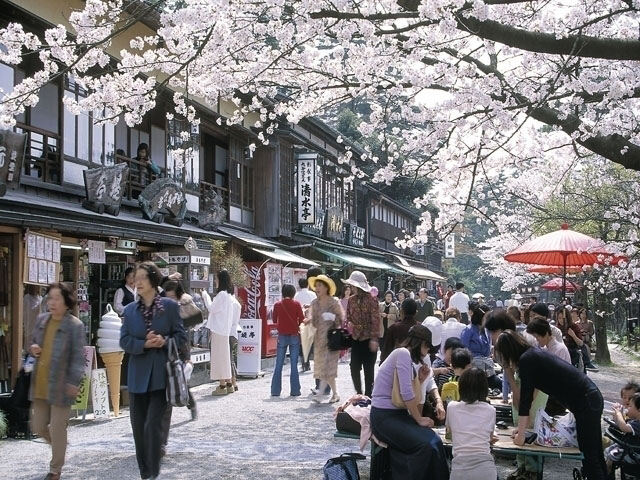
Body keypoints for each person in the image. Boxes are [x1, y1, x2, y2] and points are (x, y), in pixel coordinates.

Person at [494, 331, 608, 480]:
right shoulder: (532, 356)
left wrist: (521, 434)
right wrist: (523, 430)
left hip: (586, 401)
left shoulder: (527, 361)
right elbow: (529, 399)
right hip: (589, 398)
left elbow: (525, 401)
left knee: (590, 455)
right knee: (593, 453)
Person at [120, 262, 186, 480]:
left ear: (153, 280)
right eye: (134, 278)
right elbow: (124, 341)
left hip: (161, 377)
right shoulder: (129, 311)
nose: (136, 282)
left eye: (141, 277)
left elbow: (181, 338)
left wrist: (163, 340)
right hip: (137, 378)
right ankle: (145, 474)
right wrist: (143, 344)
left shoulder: (169, 307)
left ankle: (153, 473)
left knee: (151, 427)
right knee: (139, 431)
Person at [370, 325, 449, 480]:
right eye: (427, 347)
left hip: (396, 415)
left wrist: (420, 380)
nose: (428, 352)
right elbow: (406, 395)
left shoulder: (405, 356)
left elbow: (409, 393)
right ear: (420, 343)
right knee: (427, 444)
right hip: (384, 416)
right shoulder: (402, 353)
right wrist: (418, 419)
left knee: (435, 442)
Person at [29, 283, 85, 480]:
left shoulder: (75, 325)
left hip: (62, 384)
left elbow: (79, 358)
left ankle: (55, 470)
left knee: (57, 426)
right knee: (37, 426)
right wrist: (34, 347)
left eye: (57, 299)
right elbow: (32, 343)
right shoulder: (42, 320)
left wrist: (73, 382)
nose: (52, 303)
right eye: (50, 298)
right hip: (41, 381)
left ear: (67, 302)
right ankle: (60, 446)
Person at [446, 367, 498, 480]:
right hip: (486, 470)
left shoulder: (451, 407)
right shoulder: (490, 410)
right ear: (484, 389)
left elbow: (449, 433)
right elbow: (490, 438)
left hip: (459, 470)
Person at [202, 269, 241, 396]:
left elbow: (212, 308)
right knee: (225, 358)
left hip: (219, 330)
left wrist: (205, 296)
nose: (215, 281)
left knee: (219, 359)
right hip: (225, 330)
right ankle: (228, 384)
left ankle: (222, 385)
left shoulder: (222, 295)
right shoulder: (229, 296)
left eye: (217, 279)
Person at [308, 274, 344, 403]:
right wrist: (309, 320)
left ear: (326, 287)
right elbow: (314, 321)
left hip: (331, 339)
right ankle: (334, 393)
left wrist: (333, 318)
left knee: (328, 368)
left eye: (320, 285)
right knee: (323, 368)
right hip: (319, 339)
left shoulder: (334, 301)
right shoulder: (314, 303)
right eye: (316, 285)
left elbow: (341, 319)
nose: (317, 288)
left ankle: (323, 394)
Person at [344, 271, 380, 398]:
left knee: (368, 369)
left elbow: (376, 320)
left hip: (369, 338)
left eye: (353, 285)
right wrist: (349, 323)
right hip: (356, 337)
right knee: (354, 367)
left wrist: (374, 339)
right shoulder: (351, 300)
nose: (351, 288)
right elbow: (348, 316)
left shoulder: (372, 299)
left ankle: (369, 395)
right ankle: (359, 393)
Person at [271, 284, 304, 397]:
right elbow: (302, 319)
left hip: (282, 336)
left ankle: (275, 391)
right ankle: (295, 390)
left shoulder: (278, 305)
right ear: (293, 293)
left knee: (279, 363)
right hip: (294, 335)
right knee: (294, 364)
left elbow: (275, 319)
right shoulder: (297, 304)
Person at [461, 304, 500, 390]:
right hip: (473, 368)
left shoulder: (486, 330)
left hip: (487, 368)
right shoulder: (468, 330)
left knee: (500, 384)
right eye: (487, 316)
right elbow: (463, 349)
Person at [606, 393, 640, 475]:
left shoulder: (638, 424)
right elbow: (621, 424)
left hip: (634, 453)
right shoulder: (635, 421)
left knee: (611, 454)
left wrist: (618, 413)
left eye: (630, 406)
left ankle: (605, 473)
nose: (628, 408)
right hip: (632, 449)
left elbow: (624, 427)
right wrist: (619, 415)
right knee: (611, 448)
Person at [380, 298, 418, 363]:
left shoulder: (394, 328)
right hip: (416, 365)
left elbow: (386, 352)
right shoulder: (421, 328)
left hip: (397, 365)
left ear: (401, 311)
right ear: (416, 312)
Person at [295, 272, 319, 373]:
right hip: (312, 320)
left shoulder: (296, 295)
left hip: (301, 321)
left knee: (302, 342)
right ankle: (308, 361)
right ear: (307, 285)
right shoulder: (313, 294)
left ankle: (304, 362)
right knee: (311, 341)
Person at [556, 306, 585, 371]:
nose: (561, 320)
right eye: (559, 318)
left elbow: (581, 343)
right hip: (559, 353)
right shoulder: (556, 328)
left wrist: (573, 336)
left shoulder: (574, 327)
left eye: (563, 318)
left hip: (572, 352)